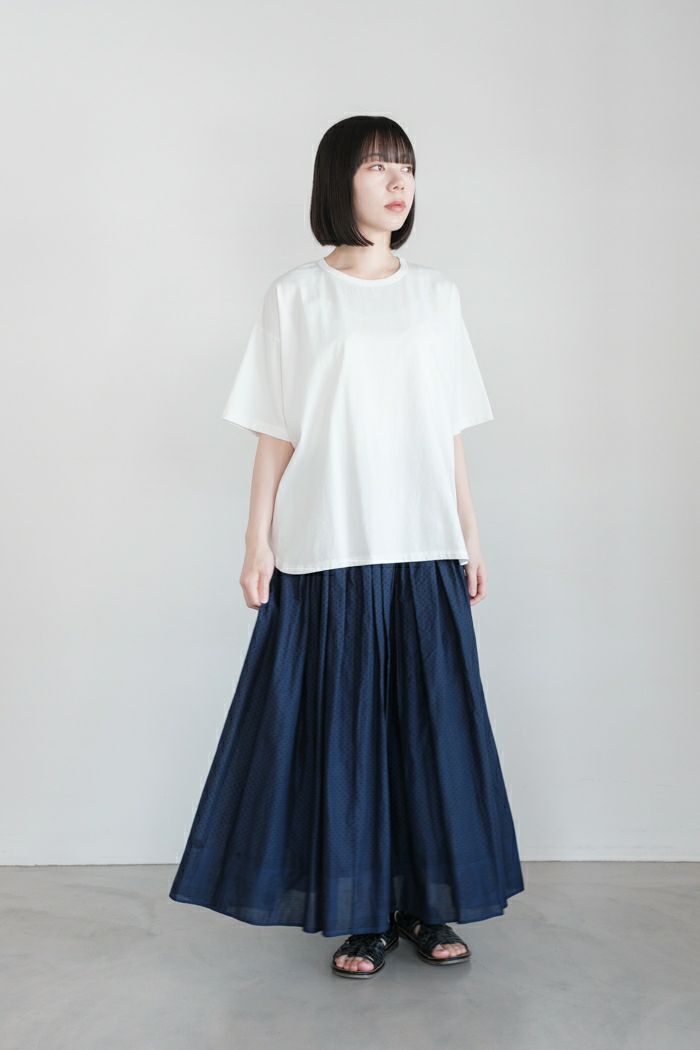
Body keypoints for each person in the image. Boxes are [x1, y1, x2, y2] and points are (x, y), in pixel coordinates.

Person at [169, 115, 525, 979]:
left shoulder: (437, 295)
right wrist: (255, 540)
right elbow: (275, 429)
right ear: (339, 182)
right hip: (328, 541)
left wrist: (470, 533)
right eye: (377, 168)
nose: (398, 183)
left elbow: (448, 429)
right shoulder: (297, 296)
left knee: (429, 730)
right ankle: (361, 913)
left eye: (407, 168)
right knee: (345, 734)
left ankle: (426, 906)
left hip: (422, 541)